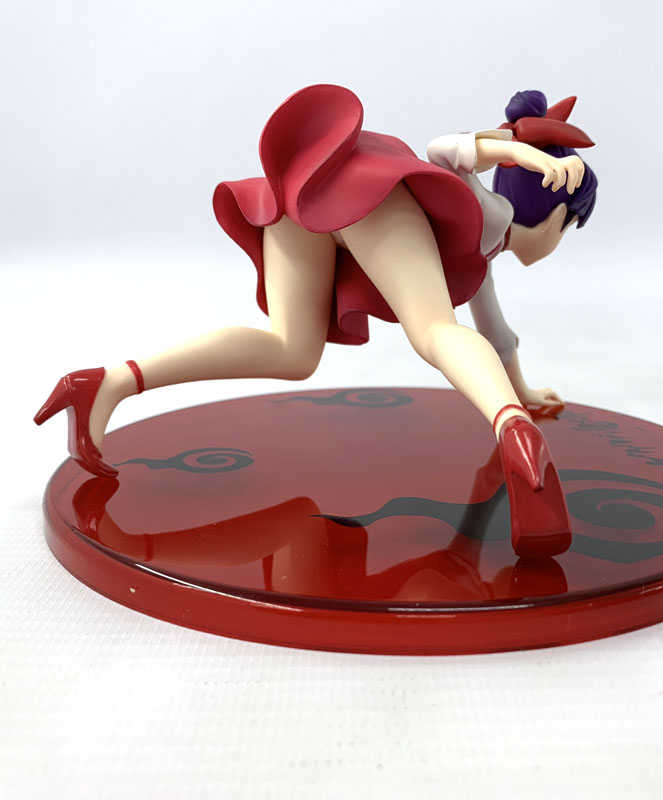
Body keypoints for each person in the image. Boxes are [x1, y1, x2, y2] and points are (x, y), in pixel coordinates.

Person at [34, 84, 597, 558]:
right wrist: (523, 153)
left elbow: (496, 338)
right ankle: (511, 430)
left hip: (306, 192)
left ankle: (108, 382)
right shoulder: (489, 217)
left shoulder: (485, 252)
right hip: (365, 191)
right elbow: (443, 149)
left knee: (290, 348)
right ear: (557, 218)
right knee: (433, 331)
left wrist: (522, 391)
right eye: (570, 229)